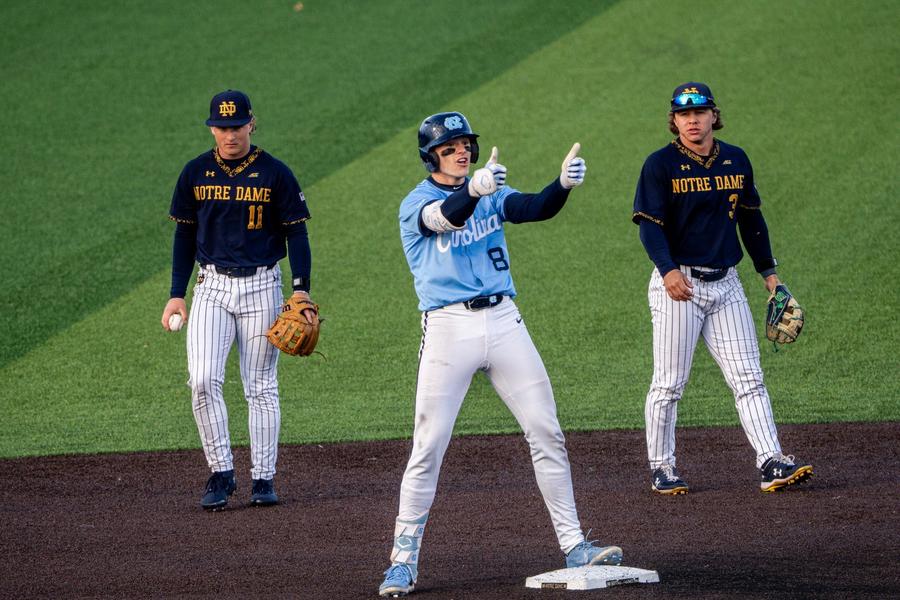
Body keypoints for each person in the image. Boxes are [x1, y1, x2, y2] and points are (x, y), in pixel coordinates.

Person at [378, 111, 622, 597]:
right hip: (448, 329)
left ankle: (574, 543)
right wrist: (475, 189)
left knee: (546, 430)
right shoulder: (416, 203)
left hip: (505, 321)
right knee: (429, 445)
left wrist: (561, 185)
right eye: (451, 148)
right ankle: (403, 562)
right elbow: (445, 217)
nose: (462, 152)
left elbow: (533, 208)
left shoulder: (487, 193)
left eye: (465, 144)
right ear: (432, 156)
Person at [631, 82, 813, 495]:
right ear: (674, 121)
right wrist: (667, 270)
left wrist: (770, 274)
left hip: (726, 285)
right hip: (680, 286)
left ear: (714, 115)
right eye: (683, 115)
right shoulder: (660, 165)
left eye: (699, 112)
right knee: (669, 383)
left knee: (749, 377)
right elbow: (649, 227)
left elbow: (751, 220)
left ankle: (770, 460)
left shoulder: (735, 158)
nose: (692, 121)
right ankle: (662, 467)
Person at [160, 90, 317, 510]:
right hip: (211, 287)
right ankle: (221, 471)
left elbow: (296, 232)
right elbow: (184, 234)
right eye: (222, 127)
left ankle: (263, 478)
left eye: (237, 126)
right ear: (212, 128)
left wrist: (301, 287)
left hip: (263, 286)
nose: (230, 134)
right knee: (202, 380)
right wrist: (177, 293)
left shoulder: (275, 173)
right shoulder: (195, 172)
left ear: (252, 123)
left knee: (260, 385)